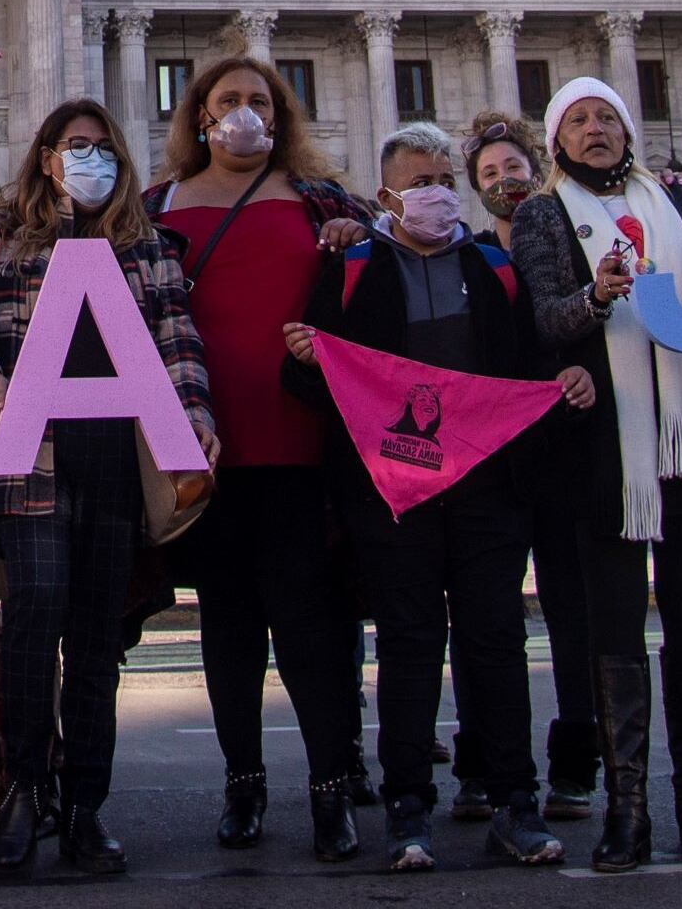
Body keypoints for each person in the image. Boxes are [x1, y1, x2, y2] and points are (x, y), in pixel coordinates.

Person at [285, 123, 588, 870]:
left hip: (490, 491)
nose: (437, 194)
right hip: (394, 497)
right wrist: (308, 358)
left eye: (446, 181)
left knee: (497, 642)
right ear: (387, 194)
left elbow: (529, 365)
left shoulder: (493, 265)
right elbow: (307, 386)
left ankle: (515, 801)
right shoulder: (354, 267)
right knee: (410, 644)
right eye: (421, 182)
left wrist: (567, 380)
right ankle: (408, 806)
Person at [0, 99, 216, 876]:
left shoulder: (145, 244)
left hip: (114, 454)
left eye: (102, 147)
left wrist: (193, 417)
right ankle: (26, 788)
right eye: (75, 145)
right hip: (30, 445)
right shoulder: (0, 228)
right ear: (47, 157)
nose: (89, 157)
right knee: (36, 611)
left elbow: (177, 336)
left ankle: (85, 806)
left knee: (98, 635)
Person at [146, 56, 368, 857]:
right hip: (205, 442)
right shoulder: (157, 206)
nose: (245, 112)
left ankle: (332, 789)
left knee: (311, 625)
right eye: (228, 99)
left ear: (280, 116)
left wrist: (356, 244)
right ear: (199, 116)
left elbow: (374, 292)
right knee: (228, 627)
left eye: (260, 101)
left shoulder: (324, 201)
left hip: (301, 439)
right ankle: (243, 784)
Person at [510, 79, 682, 873]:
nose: (595, 129)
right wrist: (595, 297)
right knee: (615, 626)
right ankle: (626, 808)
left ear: (629, 129)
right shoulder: (543, 214)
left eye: (607, 116)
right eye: (578, 120)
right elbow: (544, 319)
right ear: (556, 140)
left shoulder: (678, 201)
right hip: (604, 444)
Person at [458, 112, 597, 819]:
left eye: (513, 167)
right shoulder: (472, 258)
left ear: (536, 170)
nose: (503, 180)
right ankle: (479, 761)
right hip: (500, 459)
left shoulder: (578, 244)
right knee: (487, 615)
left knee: (573, 610)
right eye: (488, 173)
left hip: (570, 448)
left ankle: (576, 761)